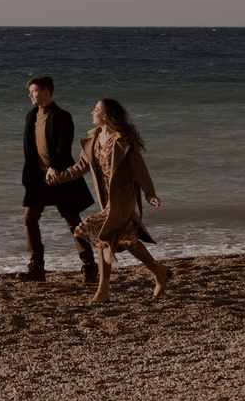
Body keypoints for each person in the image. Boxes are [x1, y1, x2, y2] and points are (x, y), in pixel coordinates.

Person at [44, 96, 169, 304]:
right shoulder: (94, 139)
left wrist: (150, 195)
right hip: (107, 201)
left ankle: (103, 290)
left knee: (99, 234)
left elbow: (140, 171)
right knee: (128, 240)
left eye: (96, 109)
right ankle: (158, 271)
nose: (92, 112)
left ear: (106, 115)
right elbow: (81, 167)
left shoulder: (123, 141)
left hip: (122, 201)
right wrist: (60, 177)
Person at [20, 76, 97, 285]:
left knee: (73, 223)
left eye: (33, 91)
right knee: (29, 219)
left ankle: (89, 265)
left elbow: (65, 146)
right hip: (38, 181)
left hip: (60, 178)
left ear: (46, 92)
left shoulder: (62, 116)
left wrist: (53, 166)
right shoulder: (31, 116)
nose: (30, 95)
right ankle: (37, 267)